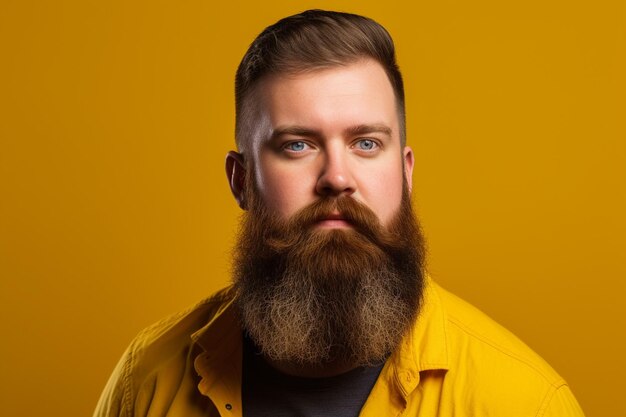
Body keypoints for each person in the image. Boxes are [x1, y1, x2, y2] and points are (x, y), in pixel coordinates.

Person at [94, 9, 585, 417]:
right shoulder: (147, 383)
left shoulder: (524, 402)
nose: (336, 177)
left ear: (405, 173)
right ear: (241, 180)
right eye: (298, 145)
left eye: (366, 143)